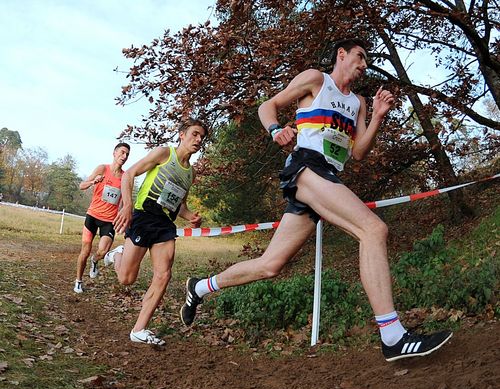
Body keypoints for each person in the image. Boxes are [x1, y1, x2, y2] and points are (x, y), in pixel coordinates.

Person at [180, 38, 453, 362]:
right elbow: (267, 106)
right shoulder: (316, 80)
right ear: (341, 55)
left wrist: (378, 115)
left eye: (366, 60)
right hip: (306, 168)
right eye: (360, 57)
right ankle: (392, 336)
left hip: (328, 177)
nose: (364, 64)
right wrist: (275, 130)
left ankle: (199, 288)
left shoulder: (359, 103)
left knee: (270, 266)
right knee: (373, 230)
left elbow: (359, 152)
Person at [104, 118, 206, 346]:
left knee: (164, 274)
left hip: (165, 225)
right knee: (126, 279)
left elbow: (179, 203)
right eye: (195, 134)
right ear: (182, 134)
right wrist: (128, 205)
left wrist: (191, 217)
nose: (198, 140)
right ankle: (117, 255)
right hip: (143, 216)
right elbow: (129, 174)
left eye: (202, 137)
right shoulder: (163, 154)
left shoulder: (191, 173)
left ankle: (139, 329)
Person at [74, 143, 130, 294]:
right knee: (84, 251)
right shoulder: (102, 169)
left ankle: (95, 260)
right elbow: (81, 185)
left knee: (103, 251)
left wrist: (123, 215)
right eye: (122, 152)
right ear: (114, 153)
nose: (124, 157)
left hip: (109, 220)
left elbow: (125, 200)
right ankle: (78, 281)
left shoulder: (125, 177)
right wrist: (94, 181)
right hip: (92, 216)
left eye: (127, 155)